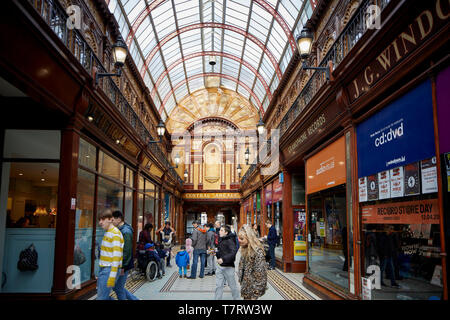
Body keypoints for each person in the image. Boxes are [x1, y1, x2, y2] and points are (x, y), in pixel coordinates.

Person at [111, 210, 139, 300]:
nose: (111, 222)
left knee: (118, 287)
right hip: (119, 264)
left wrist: (123, 267)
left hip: (123, 265)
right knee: (117, 287)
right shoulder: (119, 230)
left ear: (119, 219)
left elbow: (126, 251)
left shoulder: (126, 231)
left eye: (113, 220)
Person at [97, 209, 124, 300]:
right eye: (99, 220)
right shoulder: (108, 232)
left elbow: (116, 256)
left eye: (102, 219)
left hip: (109, 270)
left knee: (101, 298)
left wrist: (112, 276)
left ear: (110, 219)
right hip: (105, 269)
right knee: (104, 297)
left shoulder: (115, 233)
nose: (100, 222)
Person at [238, 224, 267, 300]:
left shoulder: (257, 252)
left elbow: (261, 275)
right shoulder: (245, 249)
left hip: (252, 290)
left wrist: (255, 294)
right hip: (246, 287)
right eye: (238, 238)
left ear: (249, 238)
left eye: (242, 239)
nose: (239, 240)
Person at [215, 225, 240, 300]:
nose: (219, 231)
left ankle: (237, 299)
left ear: (226, 232)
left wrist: (223, 259)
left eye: (222, 230)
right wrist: (216, 253)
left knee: (233, 286)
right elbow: (222, 251)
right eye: (220, 230)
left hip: (228, 267)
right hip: (220, 267)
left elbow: (233, 252)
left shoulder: (230, 240)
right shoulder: (221, 239)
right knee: (218, 286)